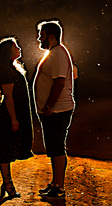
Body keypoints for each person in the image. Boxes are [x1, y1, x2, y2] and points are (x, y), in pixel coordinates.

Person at [33, 19, 77, 200]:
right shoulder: (55, 52)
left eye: (41, 35)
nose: (38, 38)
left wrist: (49, 106)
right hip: (53, 110)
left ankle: (58, 188)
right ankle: (55, 184)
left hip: (57, 111)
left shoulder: (58, 53)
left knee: (57, 148)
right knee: (52, 147)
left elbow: (59, 82)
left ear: (50, 36)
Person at [0, 36, 33, 198]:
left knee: (11, 147)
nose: (19, 48)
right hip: (10, 113)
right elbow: (8, 97)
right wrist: (14, 119)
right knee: (7, 148)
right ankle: (7, 183)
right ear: (8, 51)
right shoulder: (6, 71)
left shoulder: (12, 68)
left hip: (16, 112)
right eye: (15, 47)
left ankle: (7, 182)